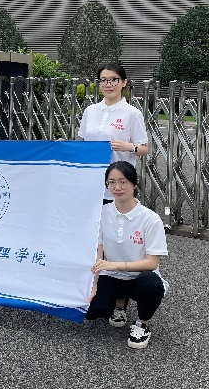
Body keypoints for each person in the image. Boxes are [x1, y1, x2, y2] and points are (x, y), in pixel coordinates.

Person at [86, 161, 168, 349]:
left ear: (135, 182)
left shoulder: (150, 219)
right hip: (111, 275)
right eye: (111, 182)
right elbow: (98, 252)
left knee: (151, 284)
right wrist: (94, 285)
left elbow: (152, 263)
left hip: (138, 277)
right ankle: (120, 304)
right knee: (91, 310)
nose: (117, 187)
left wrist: (115, 265)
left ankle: (143, 323)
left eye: (123, 182)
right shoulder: (101, 213)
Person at [78, 62, 148, 203]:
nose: (108, 84)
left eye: (114, 79)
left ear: (123, 82)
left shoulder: (132, 114)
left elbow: (144, 149)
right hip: (91, 180)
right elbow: (82, 145)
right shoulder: (90, 111)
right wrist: (63, 146)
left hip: (118, 184)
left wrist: (129, 147)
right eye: (104, 80)